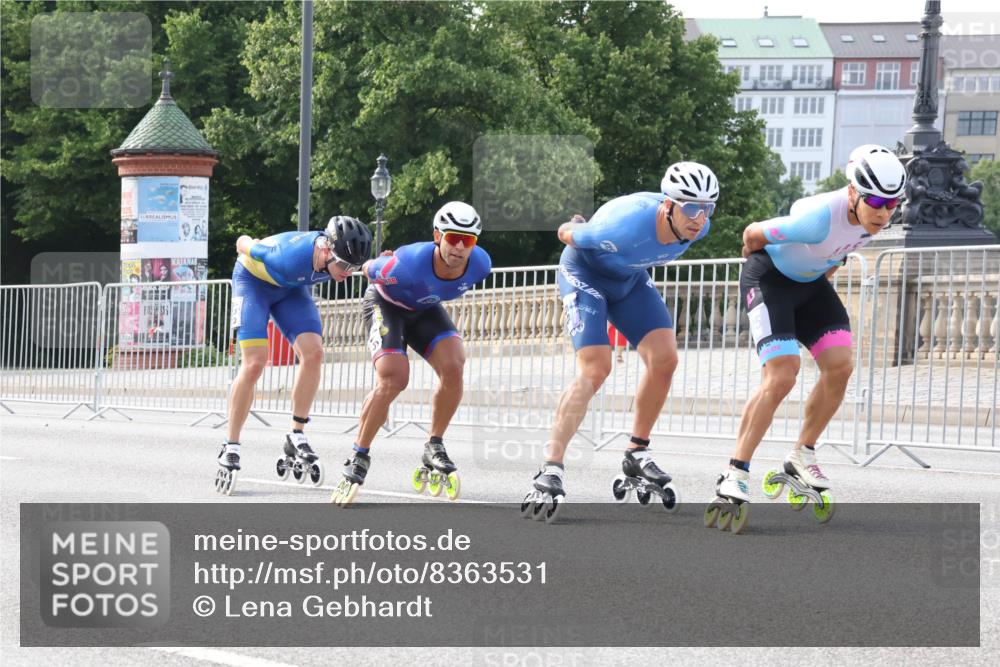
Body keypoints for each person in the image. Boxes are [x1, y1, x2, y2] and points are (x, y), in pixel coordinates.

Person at [709, 145, 906, 532]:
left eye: (894, 203)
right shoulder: (817, 218)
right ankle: (736, 471)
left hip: (811, 285)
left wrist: (814, 289)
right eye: (877, 201)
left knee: (840, 367)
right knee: (783, 375)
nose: (885, 212)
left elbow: (837, 255)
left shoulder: (872, 221)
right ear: (852, 193)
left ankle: (802, 454)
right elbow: (751, 235)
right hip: (769, 279)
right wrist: (757, 265)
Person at [521, 161, 720, 523]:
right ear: (667, 205)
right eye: (691, 206)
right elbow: (567, 233)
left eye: (708, 208)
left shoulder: (700, 228)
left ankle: (636, 452)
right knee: (597, 367)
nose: (699, 217)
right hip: (584, 274)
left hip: (629, 282)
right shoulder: (622, 223)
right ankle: (551, 465)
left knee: (665, 359)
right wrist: (577, 226)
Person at [330, 202, 492, 506]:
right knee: (393, 378)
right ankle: (359, 455)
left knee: (455, 364)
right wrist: (367, 263)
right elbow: (369, 269)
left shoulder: (481, 265)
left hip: (424, 309)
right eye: (453, 238)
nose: (459, 247)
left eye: (467, 240)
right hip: (386, 304)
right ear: (437, 235)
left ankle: (435, 444)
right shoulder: (406, 263)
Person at [214, 216, 373, 495]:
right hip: (253, 282)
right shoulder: (286, 256)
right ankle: (231, 445)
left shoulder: (334, 256)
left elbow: (373, 268)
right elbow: (243, 243)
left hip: (290, 290)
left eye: (354, 267)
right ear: (326, 252)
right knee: (254, 363)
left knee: (314, 353)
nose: (349, 273)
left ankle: (296, 434)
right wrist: (247, 242)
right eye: (345, 265)